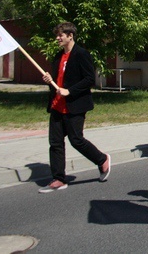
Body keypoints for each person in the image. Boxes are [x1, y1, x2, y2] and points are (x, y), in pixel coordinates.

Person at [39, 22, 111, 193]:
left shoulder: (81, 54)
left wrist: (69, 91)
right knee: (55, 142)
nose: (57, 38)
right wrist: (51, 81)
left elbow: (88, 80)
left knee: (76, 140)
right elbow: (58, 81)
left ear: (70, 35)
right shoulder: (58, 56)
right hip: (57, 105)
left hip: (75, 105)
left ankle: (102, 160)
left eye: (60, 35)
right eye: (57, 35)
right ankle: (58, 179)